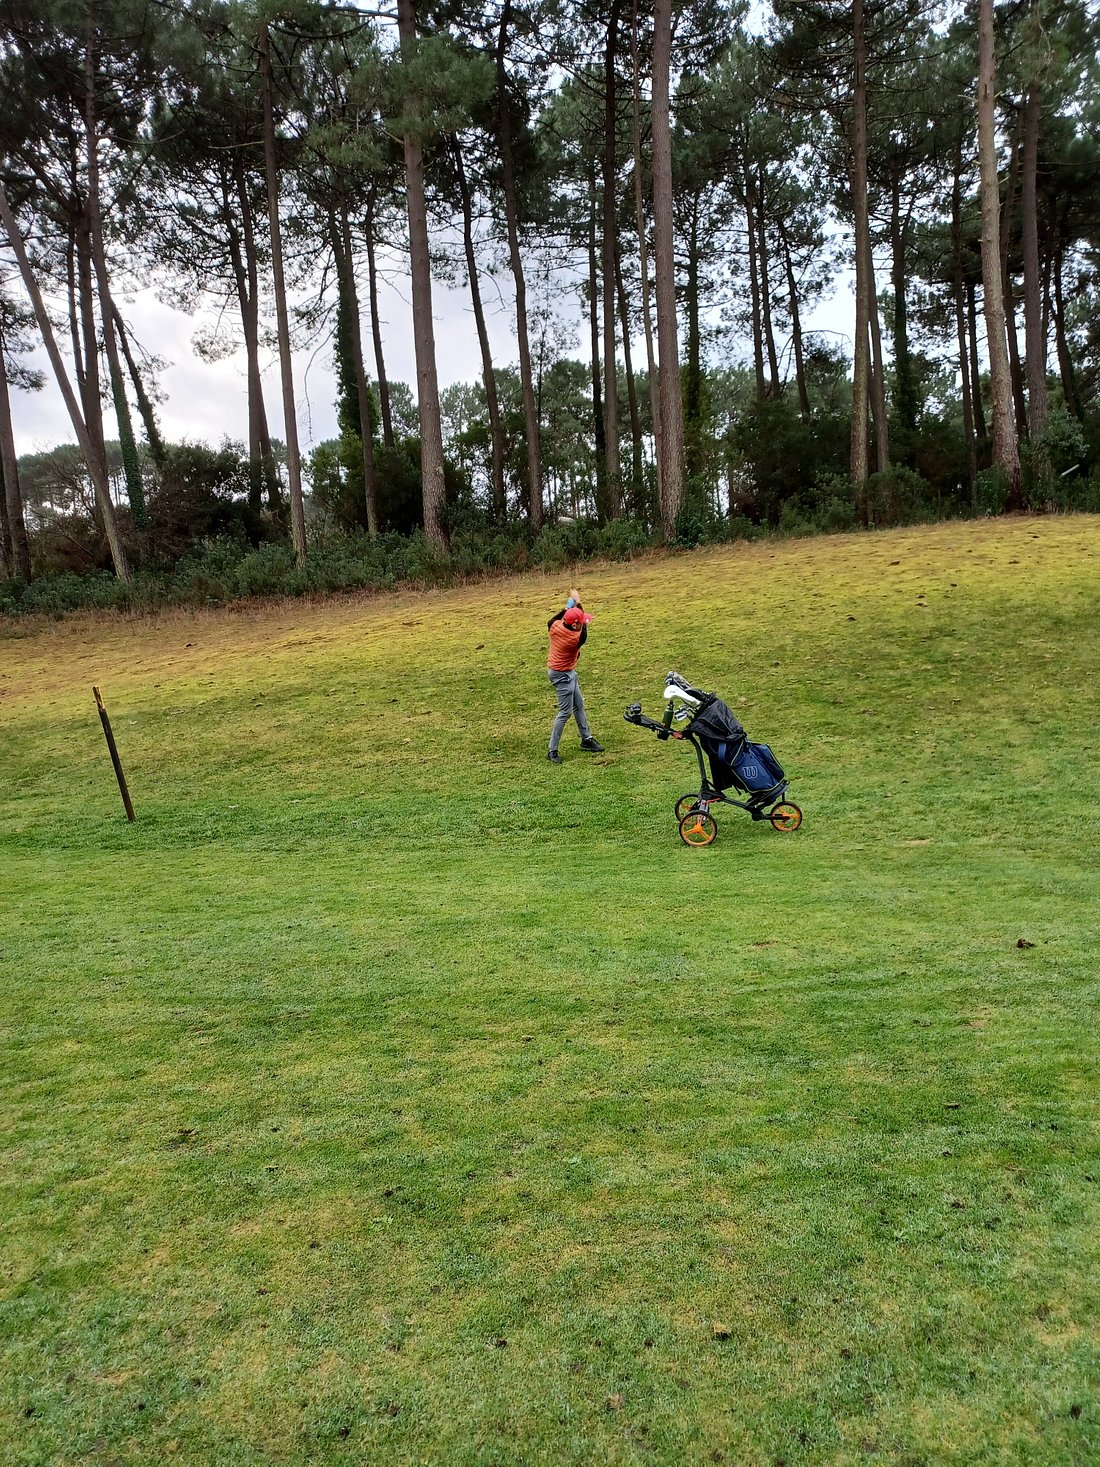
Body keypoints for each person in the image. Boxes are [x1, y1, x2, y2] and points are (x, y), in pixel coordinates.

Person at [546, 586, 604, 762]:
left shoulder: (554, 626)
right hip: (561, 675)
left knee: (578, 704)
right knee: (565, 711)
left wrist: (570, 605)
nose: (583, 622)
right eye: (580, 622)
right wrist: (578, 602)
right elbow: (582, 629)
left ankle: (586, 739)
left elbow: (555, 619)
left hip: (566, 671)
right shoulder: (575, 639)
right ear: (574, 625)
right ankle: (552, 750)